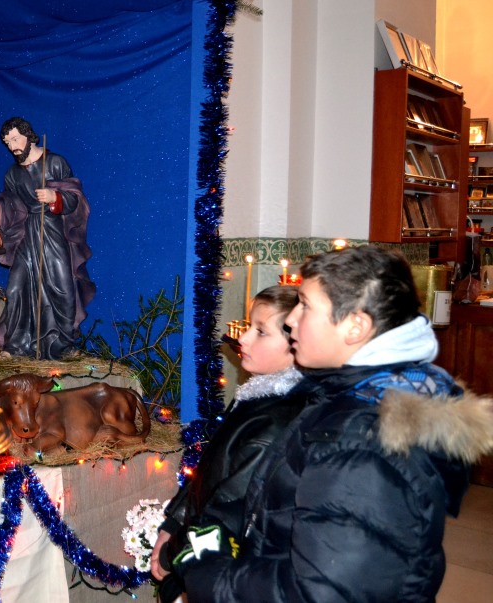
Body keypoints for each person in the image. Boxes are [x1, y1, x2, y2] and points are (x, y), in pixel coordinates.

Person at [181, 246, 493, 602]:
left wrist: (207, 572)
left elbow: (321, 591)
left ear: (355, 326)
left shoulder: (363, 439)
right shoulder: (364, 391)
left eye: (305, 306)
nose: (291, 319)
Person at [150, 285, 307, 600]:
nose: (243, 338)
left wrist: (173, 553)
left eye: (260, 331)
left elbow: (228, 506)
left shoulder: (274, 423)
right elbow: (210, 470)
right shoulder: (254, 398)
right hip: (196, 545)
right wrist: (174, 522)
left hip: (221, 563)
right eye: (249, 326)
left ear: (295, 345)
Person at [0, 117, 94, 359]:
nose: (12, 146)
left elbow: (75, 197)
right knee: (16, 287)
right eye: (8, 143)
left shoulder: (55, 163)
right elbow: (11, 204)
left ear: (29, 136)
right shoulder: (12, 174)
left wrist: (55, 197)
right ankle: (17, 344)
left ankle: (62, 343)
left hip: (53, 232)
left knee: (62, 287)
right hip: (28, 235)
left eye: (15, 139)